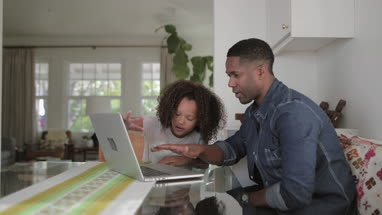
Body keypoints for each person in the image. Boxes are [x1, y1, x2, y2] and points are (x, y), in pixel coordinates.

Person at [151, 38, 357, 214]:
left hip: (320, 209)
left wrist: (246, 199)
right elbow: (231, 149)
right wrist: (196, 151)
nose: (230, 83)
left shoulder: (293, 114)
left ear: (260, 71)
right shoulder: (254, 113)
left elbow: (295, 193)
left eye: (235, 75)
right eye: (229, 76)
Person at [124, 80, 226, 166]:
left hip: (184, 186)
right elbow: (130, 123)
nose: (180, 121)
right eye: (177, 114)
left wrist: (188, 160)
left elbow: (204, 163)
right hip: (152, 180)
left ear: (200, 120)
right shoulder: (154, 124)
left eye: (189, 118)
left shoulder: (198, 136)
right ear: (169, 110)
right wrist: (126, 124)